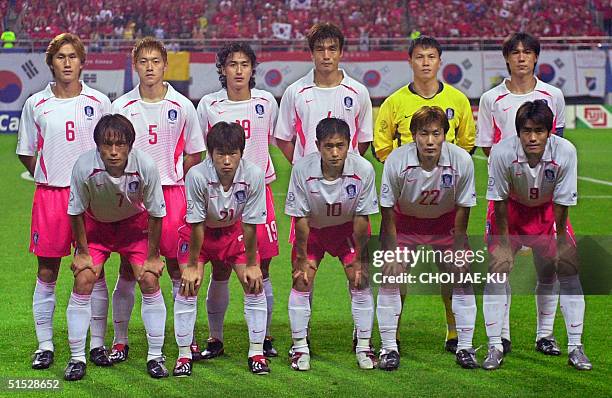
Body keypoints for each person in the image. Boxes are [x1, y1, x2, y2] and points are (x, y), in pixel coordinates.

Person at [373, 35, 476, 354]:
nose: (426, 62)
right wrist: (409, 170)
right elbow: (382, 144)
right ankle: (393, 338)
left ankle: (454, 332)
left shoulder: (458, 100)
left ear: (440, 61)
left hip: (445, 203)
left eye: (432, 56)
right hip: (407, 203)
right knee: (394, 274)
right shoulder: (394, 102)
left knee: (457, 272)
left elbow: (467, 142)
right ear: (411, 61)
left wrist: (442, 173)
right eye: (420, 57)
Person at [16, 33, 111, 370]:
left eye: (73, 56)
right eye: (60, 57)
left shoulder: (99, 102)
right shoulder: (35, 104)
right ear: (51, 63)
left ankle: (97, 344)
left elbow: (111, 147)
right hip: (51, 197)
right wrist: (50, 173)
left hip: (92, 197)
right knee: (47, 270)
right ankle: (45, 345)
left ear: (82, 62)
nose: (67, 62)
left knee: (93, 271)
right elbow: (26, 152)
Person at [110, 37, 205, 363]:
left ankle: (185, 340)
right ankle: (120, 340)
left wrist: (172, 174)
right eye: (143, 61)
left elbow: (195, 153)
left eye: (155, 61)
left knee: (181, 271)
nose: (149, 67)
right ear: (135, 65)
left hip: (172, 195)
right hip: (132, 199)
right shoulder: (120, 107)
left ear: (165, 65)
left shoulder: (182, 107)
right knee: (127, 269)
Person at [482, 100, 591, 371]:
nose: (532, 137)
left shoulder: (565, 151)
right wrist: (505, 245)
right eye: (527, 130)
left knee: (565, 268)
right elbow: (500, 201)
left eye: (539, 131)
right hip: (511, 212)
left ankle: (573, 345)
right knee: (498, 268)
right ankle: (496, 344)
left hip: (547, 211)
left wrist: (561, 242)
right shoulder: (501, 152)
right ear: (518, 132)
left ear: (550, 131)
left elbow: (563, 201)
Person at [477, 32, 566, 355]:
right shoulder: (492, 100)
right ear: (507, 58)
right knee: (500, 265)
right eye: (515, 53)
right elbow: (488, 146)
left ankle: (545, 335)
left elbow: (558, 143)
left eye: (528, 52)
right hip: (506, 197)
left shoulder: (553, 95)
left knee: (551, 266)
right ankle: (501, 336)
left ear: (536, 57)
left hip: (544, 198)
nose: (521, 57)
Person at [65, 114, 168, 380]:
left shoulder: (145, 165)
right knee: (85, 278)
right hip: (96, 227)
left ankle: (155, 356)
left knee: (148, 278)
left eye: (120, 145)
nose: (113, 152)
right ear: (97, 145)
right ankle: (77, 358)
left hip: (134, 227)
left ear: (130, 145)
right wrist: (83, 252)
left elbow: (156, 213)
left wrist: (154, 256)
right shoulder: (84, 165)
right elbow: (75, 212)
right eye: (107, 145)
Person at [196, 42, 279, 359]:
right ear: (222, 69)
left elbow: (266, 141)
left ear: (252, 69)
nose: (239, 70)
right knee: (219, 269)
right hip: (220, 195)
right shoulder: (208, 105)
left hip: (259, 195)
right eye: (233, 64)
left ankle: (265, 338)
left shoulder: (267, 102)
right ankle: (215, 338)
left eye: (245, 64)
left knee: (262, 269)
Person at [174, 121, 269, 376]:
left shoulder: (254, 175)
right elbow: (195, 223)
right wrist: (193, 265)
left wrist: (251, 263)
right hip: (199, 234)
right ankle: (184, 355)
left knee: (253, 283)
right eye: (220, 154)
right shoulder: (196, 175)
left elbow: (250, 224)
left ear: (241, 152)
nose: (227, 160)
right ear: (210, 152)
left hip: (233, 233)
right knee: (189, 286)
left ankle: (256, 352)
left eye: (233, 154)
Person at [285, 118, 378, 371]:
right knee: (302, 279)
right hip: (313, 229)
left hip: (347, 229)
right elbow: (300, 219)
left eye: (340, 145)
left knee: (359, 278)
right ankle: (299, 347)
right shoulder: (302, 170)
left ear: (350, 144)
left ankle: (364, 345)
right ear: (317, 145)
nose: (335, 153)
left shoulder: (364, 170)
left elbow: (362, 218)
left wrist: (360, 258)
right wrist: (302, 259)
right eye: (328, 146)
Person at [274, 22, 373, 164]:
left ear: (341, 52)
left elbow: (364, 139)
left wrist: (345, 165)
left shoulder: (358, 92)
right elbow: (283, 138)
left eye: (332, 49)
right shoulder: (294, 92)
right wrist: (302, 167)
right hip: (308, 181)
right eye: (320, 49)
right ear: (311, 53)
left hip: (347, 178)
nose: (326, 56)